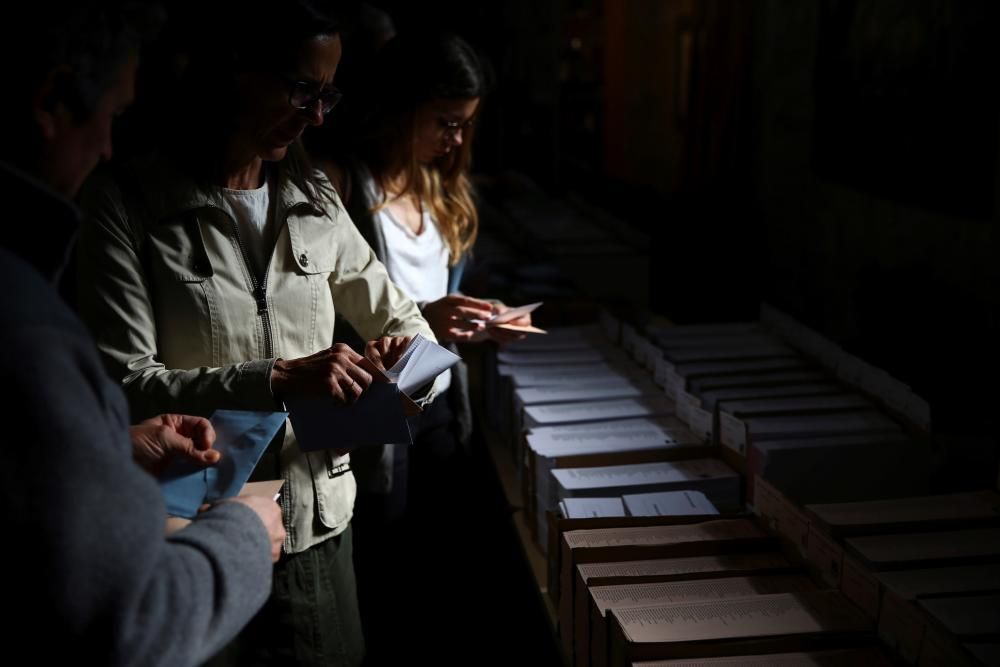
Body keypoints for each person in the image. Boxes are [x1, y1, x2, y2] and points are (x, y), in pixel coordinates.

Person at [76, 2, 437, 665]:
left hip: (318, 535)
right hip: (190, 538)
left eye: (329, 94)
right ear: (232, 70)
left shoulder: (318, 199)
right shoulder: (125, 203)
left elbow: (412, 331)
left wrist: (398, 374)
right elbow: (121, 386)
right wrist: (276, 379)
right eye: (301, 88)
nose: (318, 116)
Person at [0, 2, 285, 665]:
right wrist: (242, 531)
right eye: (111, 118)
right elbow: (129, 619)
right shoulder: (30, 323)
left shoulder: (315, 195)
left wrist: (104, 447)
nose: (105, 147)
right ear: (50, 103)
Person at [310, 32, 532, 658]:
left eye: (466, 126)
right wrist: (424, 319)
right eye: (445, 123)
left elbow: (439, 296)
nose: (457, 141)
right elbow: (315, 321)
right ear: (400, 109)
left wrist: (471, 320)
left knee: (439, 577)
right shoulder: (343, 188)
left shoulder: (441, 193)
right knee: (385, 578)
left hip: (439, 406)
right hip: (370, 416)